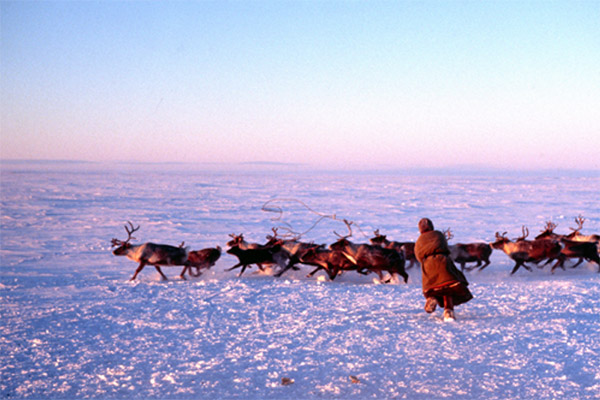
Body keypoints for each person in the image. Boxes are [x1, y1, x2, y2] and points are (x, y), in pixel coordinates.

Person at [414, 218, 473, 321]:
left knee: (433, 287)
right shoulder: (438, 234)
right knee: (449, 286)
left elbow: (418, 256)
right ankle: (448, 311)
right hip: (442, 261)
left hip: (428, 264)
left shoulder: (419, 240)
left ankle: (432, 298)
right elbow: (445, 247)